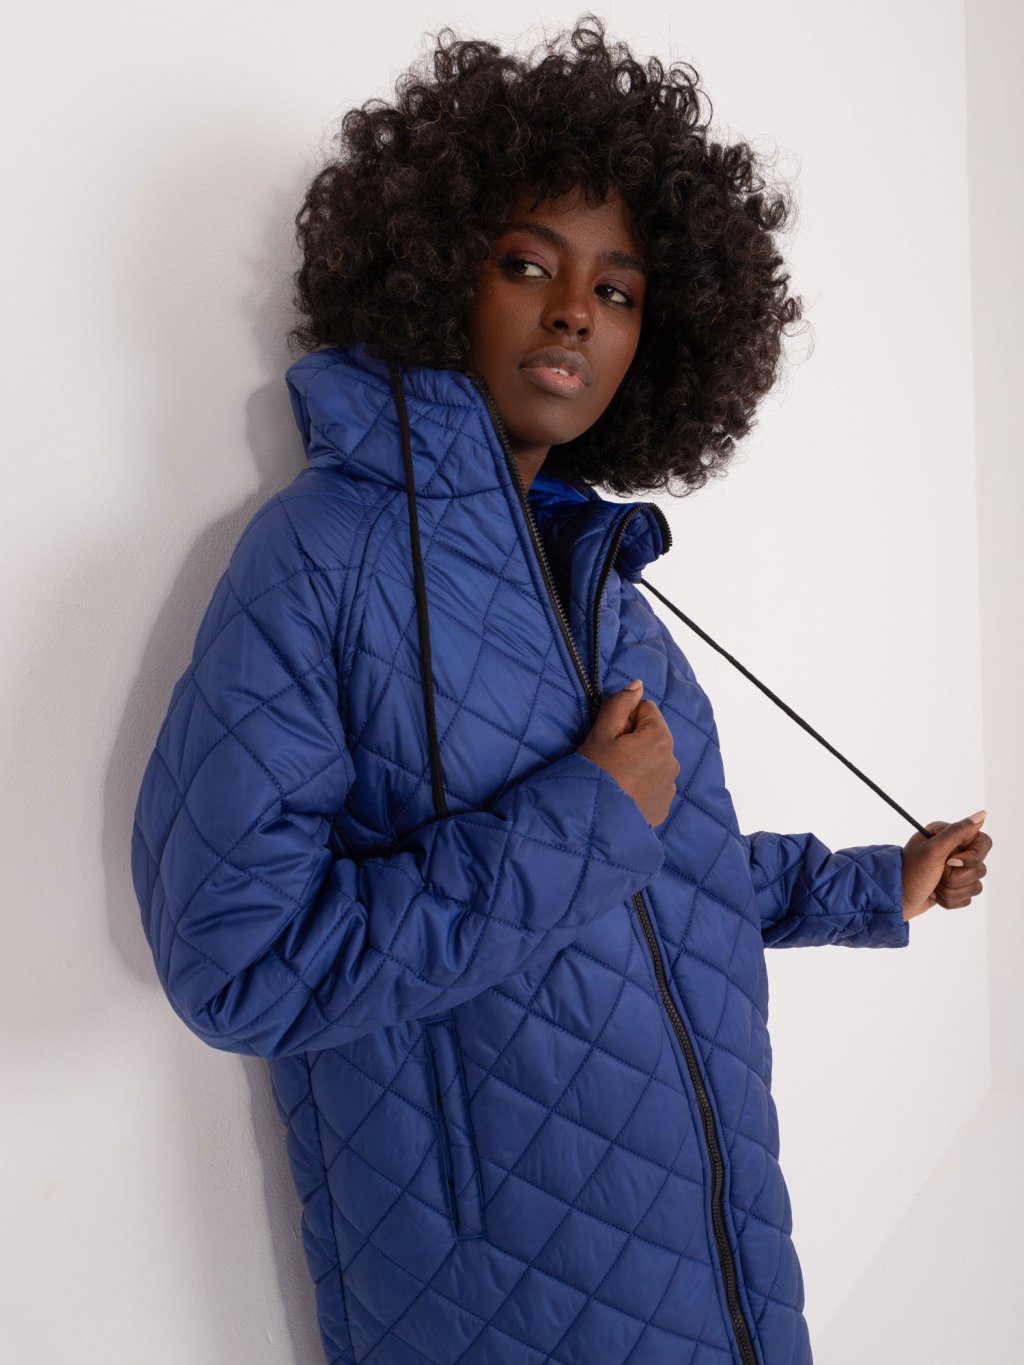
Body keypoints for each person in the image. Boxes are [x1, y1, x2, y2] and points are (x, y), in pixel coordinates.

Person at [130, 15, 991, 1364]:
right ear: (432, 276)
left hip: (720, 1277)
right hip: (495, 1313)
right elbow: (238, 961)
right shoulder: (326, 556)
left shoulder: (610, 594)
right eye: (528, 264)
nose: (577, 309)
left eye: (620, 290)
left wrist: (878, 885)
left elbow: (666, 868)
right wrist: (585, 813)